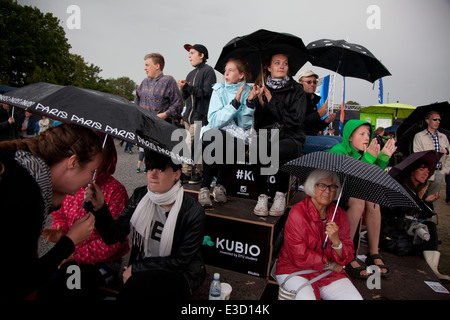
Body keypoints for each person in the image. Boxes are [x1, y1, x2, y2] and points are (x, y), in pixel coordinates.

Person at [84, 149, 206, 300]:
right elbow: (113, 235)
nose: (152, 175)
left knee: (138, 289)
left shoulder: (192, 211)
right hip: (144, 270)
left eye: (160, 169)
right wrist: (99, 208)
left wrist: (136, 268)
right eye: (149, 169)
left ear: (177, 174)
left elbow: (180, 261)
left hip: (180, 273)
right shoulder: (140, 196)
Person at [0, 123, 103, 300]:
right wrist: (70, 241)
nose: (91, 180)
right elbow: (19, 283)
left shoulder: (19, 165)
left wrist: (52, 203)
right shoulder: (27, 192)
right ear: (73, 162)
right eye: (92, 172)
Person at [37, 135, 130, 299]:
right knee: (44, 283)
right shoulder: (72, 183)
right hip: (67, 253)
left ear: (107, 157)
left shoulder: (115, 190)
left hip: (101, 262)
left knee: (68, 286)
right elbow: (60, 214)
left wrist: (76, 254)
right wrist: (61, 231)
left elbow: (114, 242)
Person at [276, 169, 362, 300]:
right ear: (312, 186)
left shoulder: (340, 215)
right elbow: (298, 255)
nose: (327, 191)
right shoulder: (298, 212)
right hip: (295, 269)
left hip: (328, 273)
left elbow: (348, 255)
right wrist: (330, 264)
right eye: (321, 185)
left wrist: (336, 242)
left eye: (332, 186)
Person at [329, 119, 397, 278]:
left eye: (368, 134)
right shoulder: (338, 150)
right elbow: (348, 181)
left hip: (352, 191)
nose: (367, 137)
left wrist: (381, 160)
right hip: (334, 193)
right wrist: (368, 159)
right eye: (362, 134)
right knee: (358, 200)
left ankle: (373, 253)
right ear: (350, 137)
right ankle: (347, 252)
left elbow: (371, 179)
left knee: (373, 200)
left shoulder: (363, 153)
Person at [248, 52, 307, 216]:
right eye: (277, 63)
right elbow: (260, 125)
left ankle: (280, 194)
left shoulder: (297, 90)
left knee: (279, 148)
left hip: (291, 136)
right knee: (256, 144)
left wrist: (273, 102)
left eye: (285, 63)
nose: (282, 66)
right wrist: (258, 104)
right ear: (269, 67)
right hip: (268, 135)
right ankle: (262, 195)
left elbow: (296, 122)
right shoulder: (263, 88)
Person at [380, 153, 450, 281]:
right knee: (427, 231)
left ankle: (433, 268)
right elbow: (400, 213)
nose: (425, 173)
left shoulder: (422, 187)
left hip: (410, 225)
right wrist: (418, 199)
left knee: (429, 226)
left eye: (428, 171)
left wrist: (426, 201)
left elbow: (423, 215)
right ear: (412, 171)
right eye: (421, 170)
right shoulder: (401, 186)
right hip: (394, 225)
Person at [197, 57, 254, 207]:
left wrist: (249, 104)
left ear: (241, 75)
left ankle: (220, 185)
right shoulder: (219, 89)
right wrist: (234, 103)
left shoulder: (248, 91)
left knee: (237, 144)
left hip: (236, 133)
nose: (226, 73)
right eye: (225, 70)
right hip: (215, 130)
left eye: (231, 70)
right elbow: (214, 120)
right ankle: (204, 187)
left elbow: (244, 125)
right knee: (215, 137)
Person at [178, 44, 217, 185]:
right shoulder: (190, 73)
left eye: (192, 53)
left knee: (196, 145)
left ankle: (197, 172)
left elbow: (207, 93)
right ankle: (186, 173)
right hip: (188, 116)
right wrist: (184, 88)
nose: (189, 56)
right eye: (189, 53)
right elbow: (187, 98)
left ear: (202, 55)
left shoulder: (208, 71)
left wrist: (188, 87)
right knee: (187, 144)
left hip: (200, 116)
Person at [297, 70, 341, 154]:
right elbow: (298, 123)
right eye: (309, 82)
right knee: (334, 144)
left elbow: (315, 127)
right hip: (298, 137)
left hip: (311, 135)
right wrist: (318, 114)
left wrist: (326, 121)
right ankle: (315, 165)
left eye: (314, 82)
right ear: (300, 83)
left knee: (343, 141)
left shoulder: (312, 99)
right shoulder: (297, 99)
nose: (312, 84)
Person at [134, 53, 183, 122]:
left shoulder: (168, 80)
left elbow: (178, 104)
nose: (145, 68)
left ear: (157, 66)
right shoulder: (144, 82)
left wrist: (165, 115)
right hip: (144, 125)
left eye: (147, 65)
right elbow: (136, 102)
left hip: (162, 126)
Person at [413, 111, 450, 201]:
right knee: (419, 198)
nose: (437, 121)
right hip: (424, 173)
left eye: (439, 120)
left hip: (438, 173)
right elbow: (417, 155)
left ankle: (430, 215)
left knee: (433, 201)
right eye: (434, 119)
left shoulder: (443, 137)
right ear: (427, 120)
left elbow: (449, 155)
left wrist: (444, 171)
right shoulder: (419, 136)